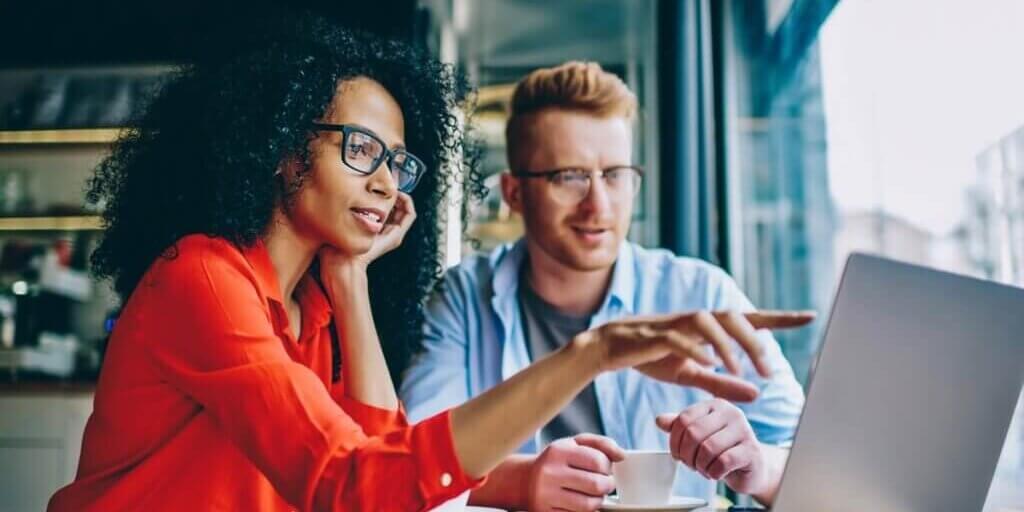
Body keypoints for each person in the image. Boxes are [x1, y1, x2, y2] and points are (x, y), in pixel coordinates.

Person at [47, 18, 811, 512]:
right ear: (280, 150)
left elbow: (379, 468)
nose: (385, 180)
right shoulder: (205, 278)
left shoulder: (314, 306)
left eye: (398, 162)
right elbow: (354, 485)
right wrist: (594, 354)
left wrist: (349, 282)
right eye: (360, 150)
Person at [400, 61, 810, 511]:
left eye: (615, 175)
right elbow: (410, 465)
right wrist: (520, 481)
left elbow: (815, 466)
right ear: (514, 193)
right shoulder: (463, 298)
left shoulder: (700, 294)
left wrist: (758, 467)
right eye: (569, 177)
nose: (598, 205)